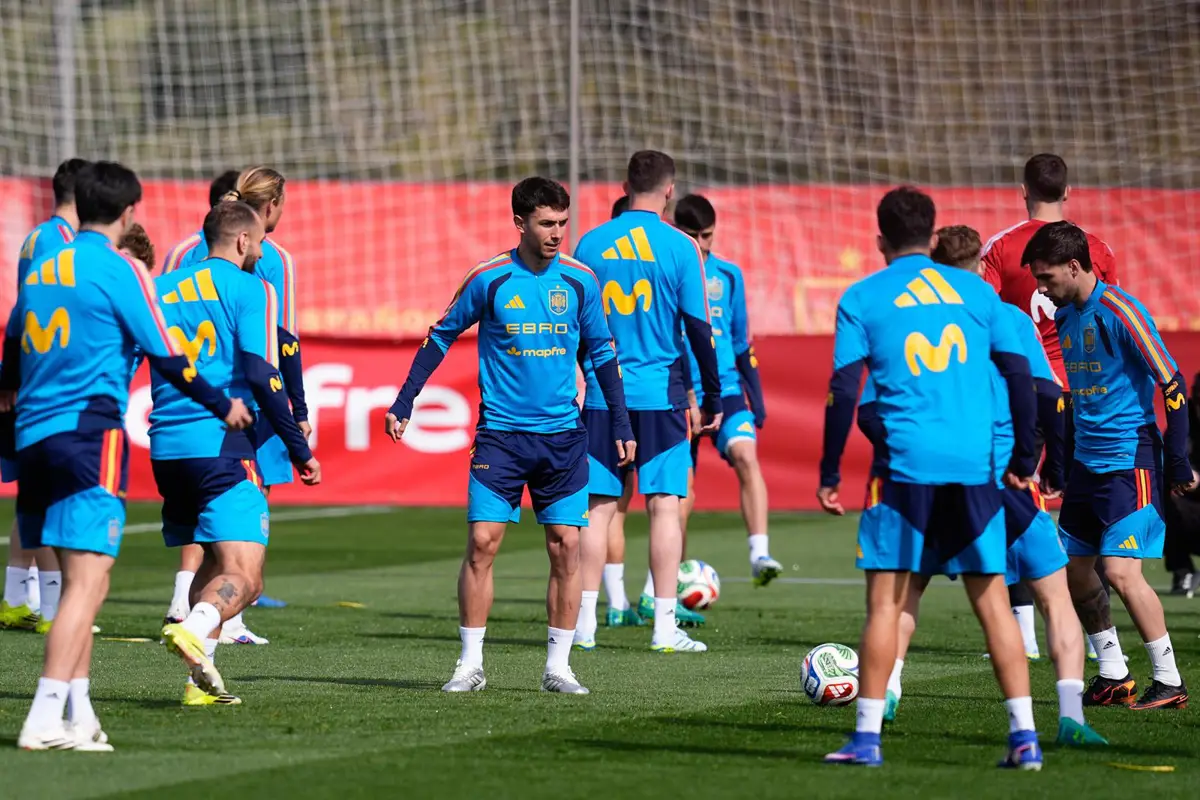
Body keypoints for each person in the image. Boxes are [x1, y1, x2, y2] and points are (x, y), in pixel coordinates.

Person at [5, 161, 252, 751]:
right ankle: (42, 717)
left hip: (33, 435)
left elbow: (11, 351)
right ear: (128, 213)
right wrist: (222, 404)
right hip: (90, 435)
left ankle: (80, 714)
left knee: (79, 585)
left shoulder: (42, 266)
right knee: (86, 586)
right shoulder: (122, 269)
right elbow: (166, 352)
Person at [818, 187, 1042, 769]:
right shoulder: (976, 292)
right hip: (973, 467)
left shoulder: (863, 296)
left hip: (902, 470)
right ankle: (1025, 737)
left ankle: (866, 740)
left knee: (884, 607)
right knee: (993, 604)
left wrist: (828, 471)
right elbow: (1020, 375)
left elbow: (844, 390)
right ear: (935, 235)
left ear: (880, 240)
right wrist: (1023, 457)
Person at [385, 177, 634, 694]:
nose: (557, 233)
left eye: (563, 223)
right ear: (519, 222)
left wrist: (622, 423)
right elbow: (441, 335)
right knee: (482, 543)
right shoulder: (489, 278)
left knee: (566, 548)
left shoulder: (582, 282)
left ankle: (558, 667)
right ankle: (470, 664)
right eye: (546, 223)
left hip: (564, 437)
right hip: (500, 435)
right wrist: (405, 400)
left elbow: (604, 354)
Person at [871, 225, 1106, 746]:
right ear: (982, 267)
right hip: (1004, 480)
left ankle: (887, 691)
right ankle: (1070, 716)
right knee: (1054, 595)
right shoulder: (1008, 318)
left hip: (932, 479)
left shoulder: (915, 317)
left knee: (906, 597)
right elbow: (1050, 397)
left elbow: (878, 405)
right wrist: (1047, 464)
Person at [154, 200, 320, 707]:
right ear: (245, 241)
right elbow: (261, 373)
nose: (264, 250)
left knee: (210, 563)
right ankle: (194, 622)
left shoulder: (163, 287)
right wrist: (298, 448)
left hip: (166, 447)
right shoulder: (254, 287)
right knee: (246, 577)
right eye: (261, 242)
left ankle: (197, 685)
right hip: (223, 446)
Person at [1026, 221, 1193, 710]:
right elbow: (1077, 399)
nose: (1041, 288)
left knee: (1120, 572)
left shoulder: (1121, 310)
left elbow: (1173, 384)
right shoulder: (1064, 317)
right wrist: (1060, 463)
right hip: (1086, 466)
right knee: (1072, 573)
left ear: (1074, 266)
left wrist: (1179, 462)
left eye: (1046, 277)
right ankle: (1115, 672)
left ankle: (1169, 679)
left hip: (1131, 461)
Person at [571, 151, 722, 654]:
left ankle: (585, 625)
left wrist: (581, 375)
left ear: (625, 184)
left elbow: (576, 325)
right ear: (670, 189)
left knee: (597, 509)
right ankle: (662, 629)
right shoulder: (681, 247)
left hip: (601, 394)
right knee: (663, 507)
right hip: (660, 393)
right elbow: (699, 329)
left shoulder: (590, 244)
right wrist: (714, 393)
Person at [981, 153, 1119, 661]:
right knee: (1091, 512)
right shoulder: (1096, 247)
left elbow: (987, 316)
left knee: (1016, 497)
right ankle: (1099, 641)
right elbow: (1109, 319)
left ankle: (1024, 635)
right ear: (1069, 190)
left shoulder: (1000, 246)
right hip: (1085, 392)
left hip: (1026, 393)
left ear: (1024, 190)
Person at [0, 158, 89, 635]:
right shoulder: (59, 243)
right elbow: (37, 313)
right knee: (54, 496)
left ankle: (18, 597)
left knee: (34, 495)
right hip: (48, 379)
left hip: (30, 371)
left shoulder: (40, 236)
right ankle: (54, 608)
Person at [673, 194, 778, 585]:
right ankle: (675, 581)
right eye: (694, 235)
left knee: (747, 457)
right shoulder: (668, 273)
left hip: (728, 391)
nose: (702, 244)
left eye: (708, 235)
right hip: (680, 397)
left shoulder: (729, 276)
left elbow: (740, 342)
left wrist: (757, 395)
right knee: (681, 497)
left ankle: (760, 555)